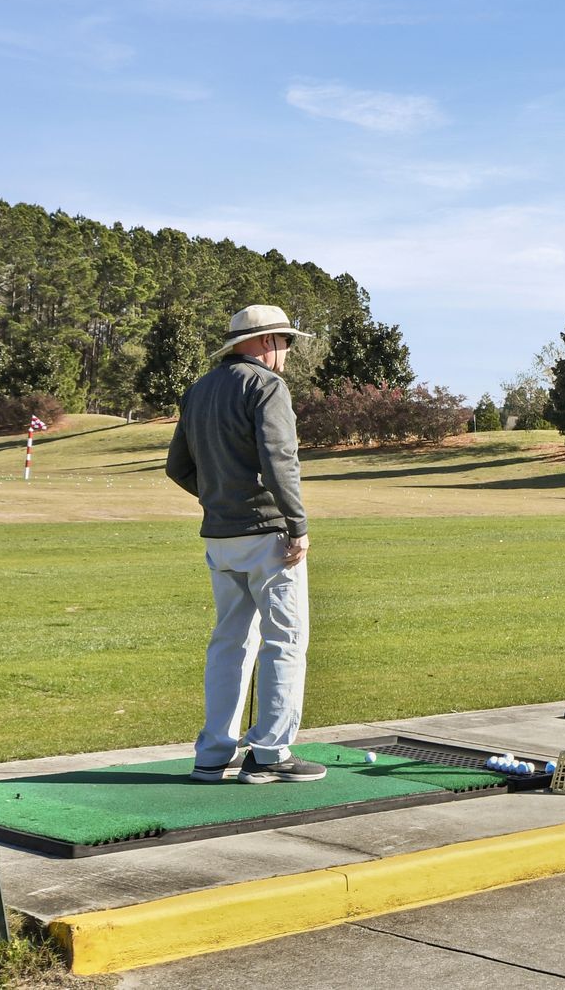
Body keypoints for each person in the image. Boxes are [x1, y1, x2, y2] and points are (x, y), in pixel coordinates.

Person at [165, 305, 324, 784]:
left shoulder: (199, 389)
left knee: (230, 642)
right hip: (266, 535)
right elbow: (280, 460)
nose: (288, 352)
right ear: (263, 342)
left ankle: (213, 753)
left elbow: (179, 467)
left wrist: (221, 499)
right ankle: (271, 753)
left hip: (220, 537)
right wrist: (297, 523)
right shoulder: (267, 386)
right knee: (285, 641)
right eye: (285, 342)